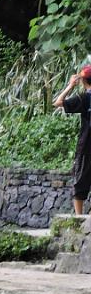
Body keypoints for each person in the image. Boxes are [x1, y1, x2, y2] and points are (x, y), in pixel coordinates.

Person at [53, 64, 91, 214]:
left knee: (80, 181)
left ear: (83, 81)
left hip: (86, 145)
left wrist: (70, 86)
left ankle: (79, 218)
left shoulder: (83, 98)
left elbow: (57, 103)